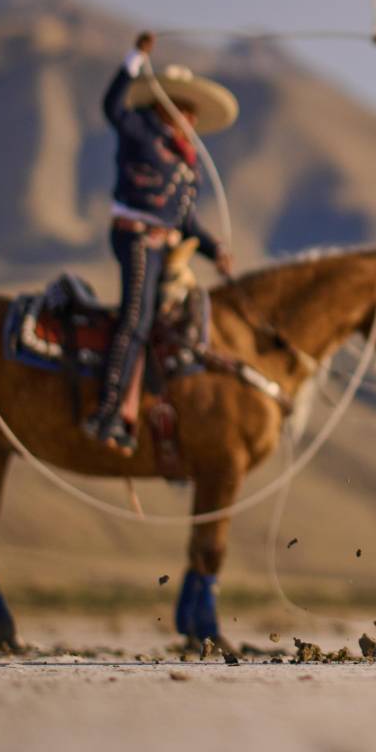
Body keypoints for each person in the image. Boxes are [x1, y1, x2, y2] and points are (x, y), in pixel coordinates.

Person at [86, 32, 238, 452]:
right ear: (166, 105)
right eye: (184, 109)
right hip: (134, 237)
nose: (190, 118)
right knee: (135, 315)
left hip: (166, 247)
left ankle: (148, 415)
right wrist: (135, 57)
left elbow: (185, 220)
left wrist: (214, 251)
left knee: (171, 324)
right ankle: (108, 410)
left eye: (192, 112)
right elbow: (110, 107)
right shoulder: (139, 129)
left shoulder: (190, 164)